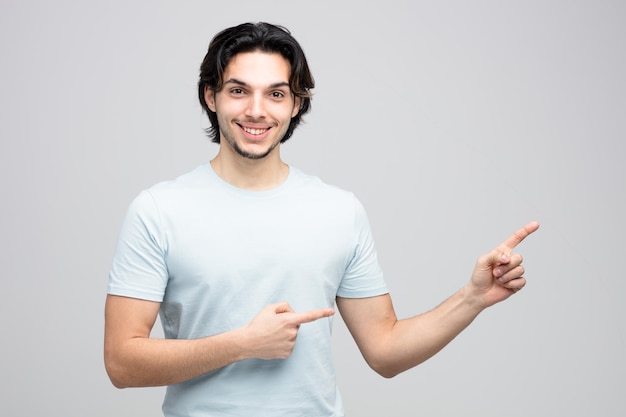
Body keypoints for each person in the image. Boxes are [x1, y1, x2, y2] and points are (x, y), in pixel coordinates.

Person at [104, 22, 539, 417]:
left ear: (295, 105)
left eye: (276, 94)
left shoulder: (338, 211)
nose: (257, 110)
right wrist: (242, 344)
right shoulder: (159, 210)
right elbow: (121, 363)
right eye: (238, 91)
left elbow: (385, 352)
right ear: (210, 96)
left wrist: (473, 298)